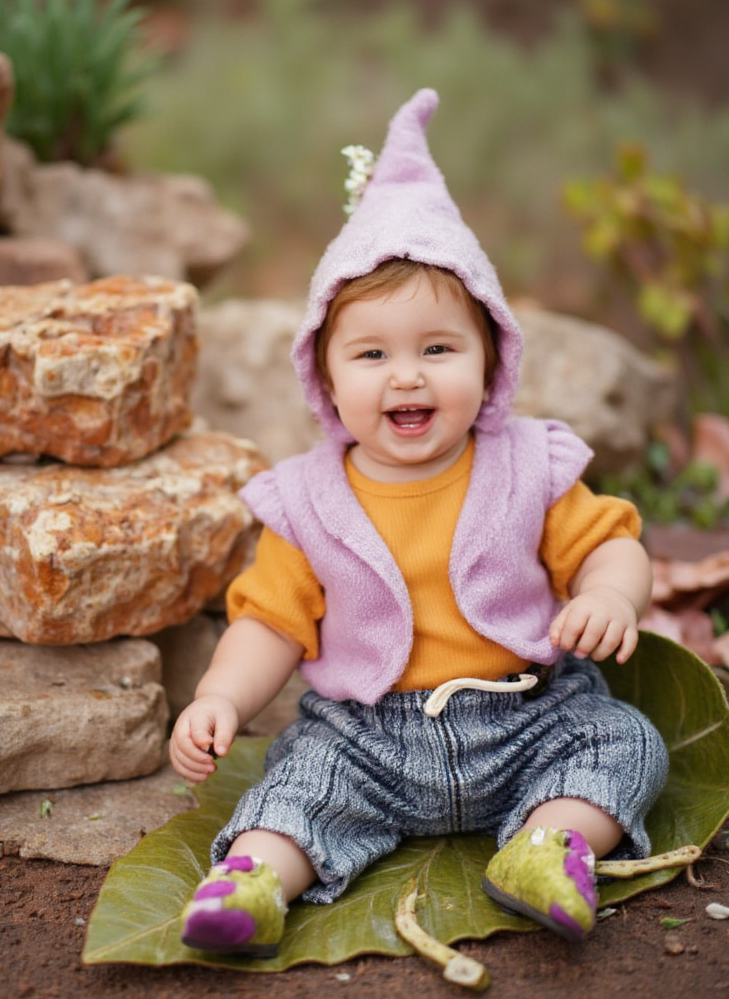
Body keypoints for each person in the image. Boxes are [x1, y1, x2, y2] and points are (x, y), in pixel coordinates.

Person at [169, 88, 669, 957]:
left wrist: (613, 597)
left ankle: (549, 848)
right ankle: (252, 881)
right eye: (372, 354)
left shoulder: (528, 466)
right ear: (325, 379)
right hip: (366, 737)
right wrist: (219, 696)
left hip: (527, 714)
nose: (408, 378)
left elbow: (609, 544)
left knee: (623, 741)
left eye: (439, 348)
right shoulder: (306, 500)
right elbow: (269, 623)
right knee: (297, 785)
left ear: (491, 358)